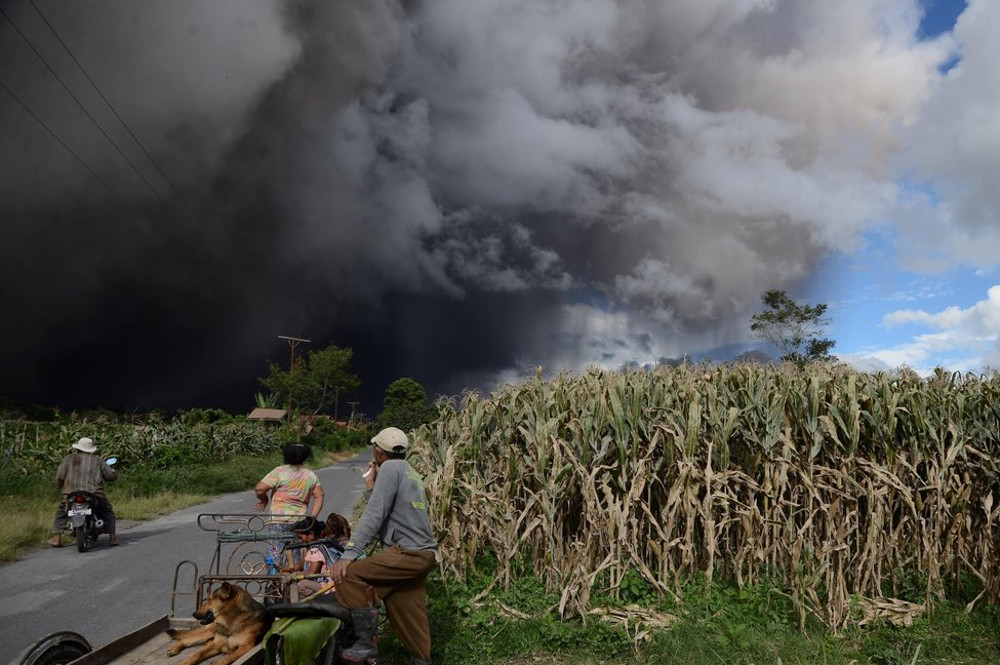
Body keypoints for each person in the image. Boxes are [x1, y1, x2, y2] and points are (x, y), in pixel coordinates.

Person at [327, 426, 439, 665]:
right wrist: (370, 488)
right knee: (410, 613)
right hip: (424, 554)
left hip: (407, 552)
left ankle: (365, 644)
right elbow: (388, 508)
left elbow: (375, 515)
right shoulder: (409, 471)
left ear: (379, 451)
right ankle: (422, 661)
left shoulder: (389, 468)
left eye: (374, 448)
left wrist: (349, 554)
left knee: (349, 575)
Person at [255, 442, 325, 569]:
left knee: (274, 553)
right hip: (299, 522)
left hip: (277, 520)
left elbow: (259, 489)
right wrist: (312, 518)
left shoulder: (279, 472)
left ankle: (274, 581)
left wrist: (264, 500)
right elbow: (319, 495)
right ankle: (295, 582)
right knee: (296, 553)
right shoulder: (310, 475)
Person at [49, 437, 118, 547]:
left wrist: (62, 488)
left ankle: (57, 538)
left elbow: (59, 477)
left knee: (61, 512)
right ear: (91, 450)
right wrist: (113, 472)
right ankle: (112, 537)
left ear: (78, 448)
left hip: (71, 493)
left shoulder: (68, 459)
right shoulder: (97, 461)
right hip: (94, 492)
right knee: (107, 511)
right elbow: (110, 476)